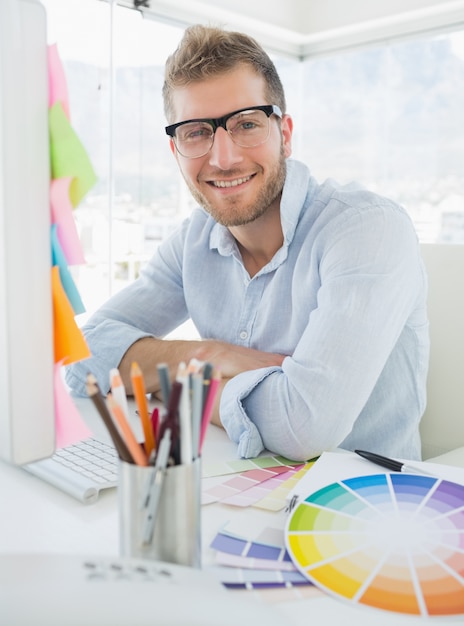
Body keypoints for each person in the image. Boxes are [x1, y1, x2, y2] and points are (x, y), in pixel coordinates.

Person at [66, 24, 429, 462]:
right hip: (238, 485)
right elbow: (83, 356)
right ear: (176, 151)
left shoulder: (367, 230)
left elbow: (305, 428)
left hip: (364, 505)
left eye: (246, 124)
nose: (224, 157)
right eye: (196, 132)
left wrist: (171, 379)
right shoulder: (193, 241)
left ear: (286, 134)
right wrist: (209, 355)